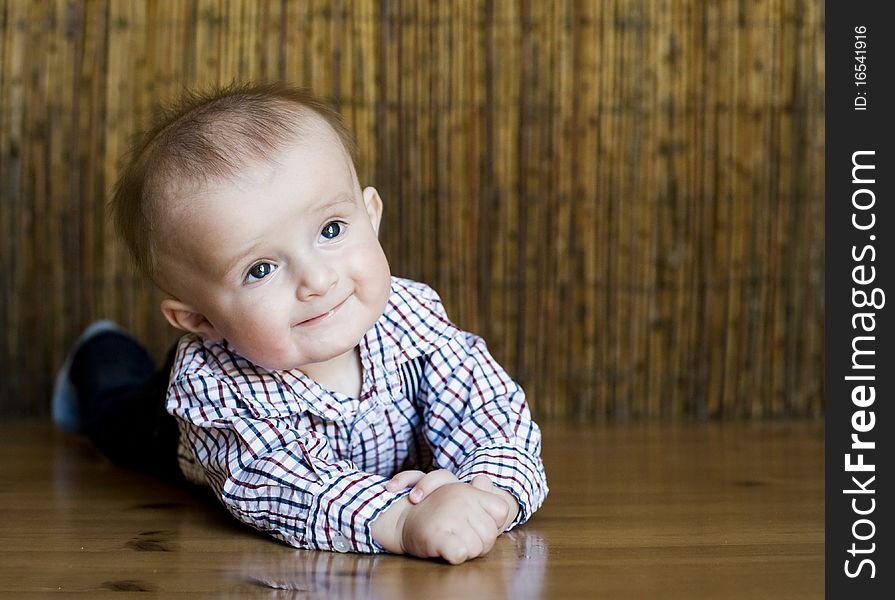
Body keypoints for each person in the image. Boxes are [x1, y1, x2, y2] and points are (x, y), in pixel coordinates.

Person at [53, 83, 547, 565]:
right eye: (260, 269)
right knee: (114, 411)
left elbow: (487, 409)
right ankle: (98, 352)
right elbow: (275, 482)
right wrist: (397, 519)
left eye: (331, 230)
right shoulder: (213, 387)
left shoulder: (412, 315)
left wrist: (487, 494)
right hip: (164, 426)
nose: (316, 279)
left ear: (370, 216)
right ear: (199, 318)